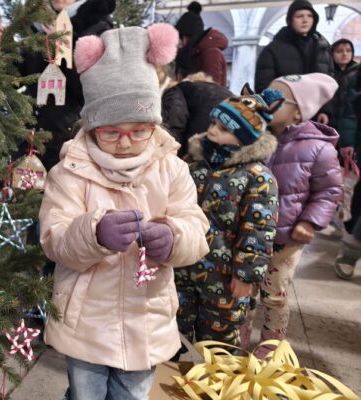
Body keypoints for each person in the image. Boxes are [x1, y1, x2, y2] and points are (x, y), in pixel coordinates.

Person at [39, 24, 210, 399]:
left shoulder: (172, 168)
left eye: (138, 130)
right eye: (111, 132)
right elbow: (54, 238)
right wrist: (94, 233)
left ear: (154, 124)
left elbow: (196, 230)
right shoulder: (69, 171)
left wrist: (174, 237)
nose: (125, 143)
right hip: (86, 320)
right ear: (93, 126)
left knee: (133, 393)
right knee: (85, 393)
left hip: (146, 315)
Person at [175, 87, 283, 351]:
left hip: (224, 276)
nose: (212, 131)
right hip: (182, 265)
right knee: (173, 331)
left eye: (223, 128)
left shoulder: (258, 177)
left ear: (244, 138)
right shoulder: (193, 163)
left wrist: (246, 275)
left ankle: (214, 387)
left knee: (218, 339)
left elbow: (258, 230)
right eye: (213, 123)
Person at [245, 73, 343, 357]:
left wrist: (309, 221)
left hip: (285, 237)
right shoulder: (256, 138)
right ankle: (234, 344)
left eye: (276, 99)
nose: (265, 102)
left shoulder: (318, 149)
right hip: (250, 233)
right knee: (244, 293)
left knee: (274, 295)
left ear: (299, 112)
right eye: (265, 95)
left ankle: (269, 349)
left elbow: (329, 191)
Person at [16, 0, 116, 171]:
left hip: (71, 144)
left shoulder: (98, 27)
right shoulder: (38, 28)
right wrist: (0, 51)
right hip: (29, 139)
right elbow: (16, 77)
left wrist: (66, 45)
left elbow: (94, 89)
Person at [254, 0, 333, 124]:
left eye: (309, 16)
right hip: (286, 116)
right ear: (290, 20)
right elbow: (264, 86)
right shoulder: (273, 50)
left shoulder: (322, 47)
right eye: (299, 16)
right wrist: (279, 113)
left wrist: (325, 110)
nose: (305, 20)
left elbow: (328, 81)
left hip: (316, 116)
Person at [162, 71, 233, 157]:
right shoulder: (222, 91)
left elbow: (174, 125)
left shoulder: (177, 90)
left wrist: (171, 154)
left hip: (198, 139)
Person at [174, 1, 229, 87]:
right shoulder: (195, 53)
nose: (179, 44)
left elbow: (212, 91)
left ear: (187, 37)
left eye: (180, 38)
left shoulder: (211, 53)